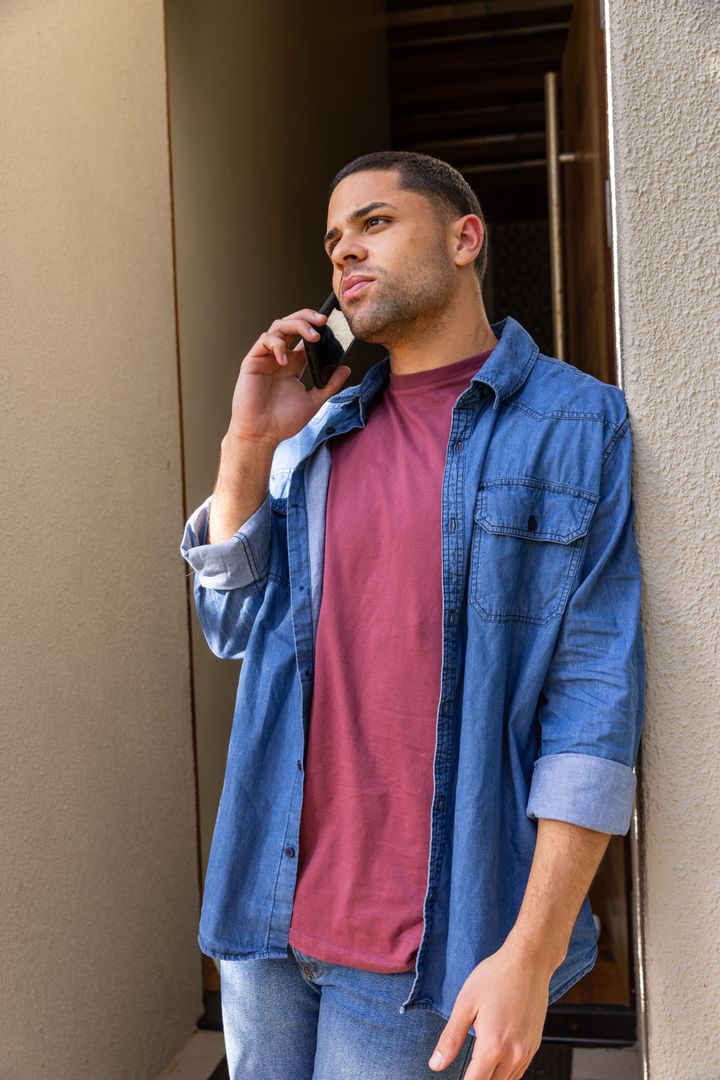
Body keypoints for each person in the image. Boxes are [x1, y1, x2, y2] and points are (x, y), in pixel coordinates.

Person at [179, 150, 645, 1080]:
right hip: (267, 916)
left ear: (466, 237)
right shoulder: (317, 434)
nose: (346, 251)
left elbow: (594, 707)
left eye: (375, 223)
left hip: (424, 946)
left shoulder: (577, 424)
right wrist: (247, 443)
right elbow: (228, 626)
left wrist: (534, 948)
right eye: (334, 240)